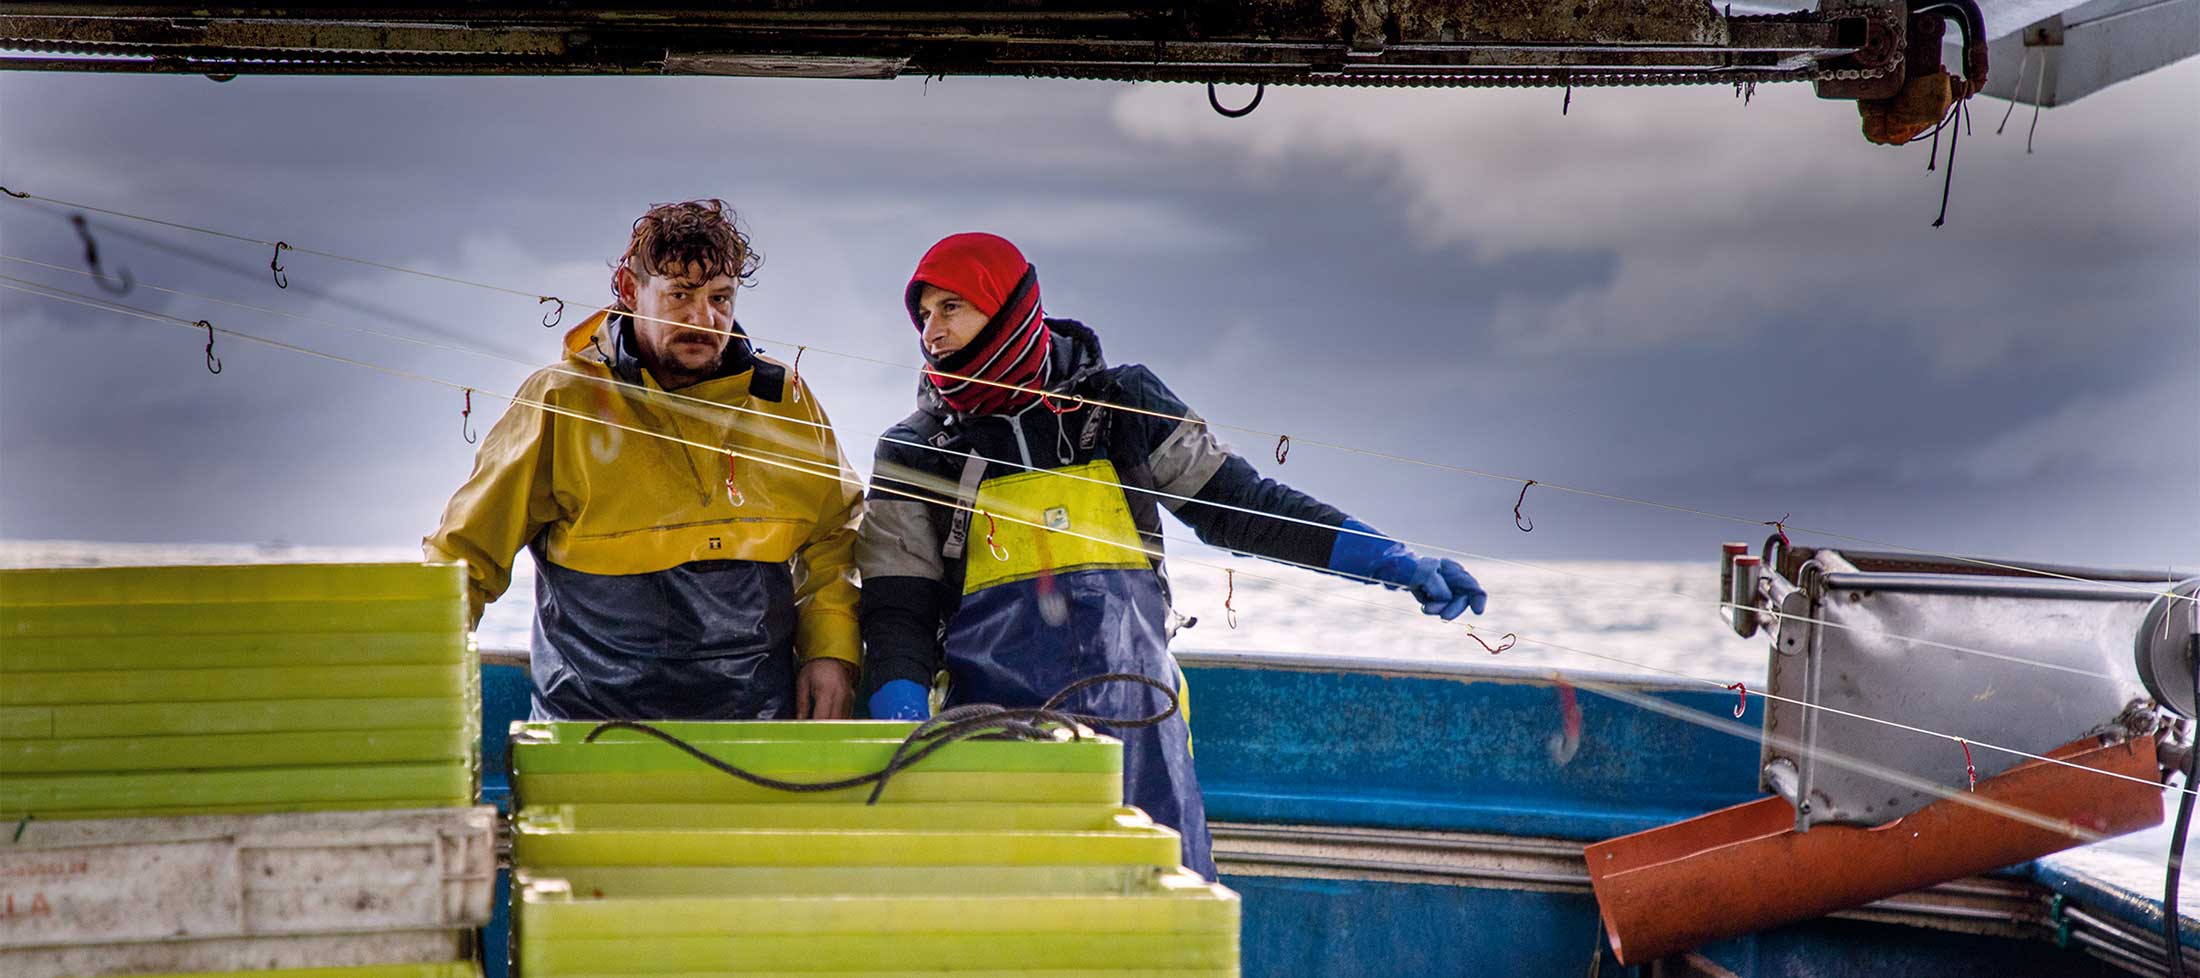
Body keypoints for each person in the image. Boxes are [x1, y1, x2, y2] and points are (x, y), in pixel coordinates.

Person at [856, 232, 1489, 878]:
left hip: (1145, 742)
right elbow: (896, 613)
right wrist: (903, 735)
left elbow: (1242, 506)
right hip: (996, 752)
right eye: (924, 315)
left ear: (1009, 308)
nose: (931, 331)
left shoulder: (1124, 406)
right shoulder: (913, 451)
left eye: (951, 308)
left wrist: (1388, 560)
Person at [425, 199, 862, 721]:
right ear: (631, 290)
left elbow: (834, 540)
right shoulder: (561, 400)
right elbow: (466, 555)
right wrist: (425, 668)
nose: (705, 318)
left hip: (758, 727)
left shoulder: (785, 399)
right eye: (681, 295)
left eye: (720, 298)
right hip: (592, 729)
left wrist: (831, 653)